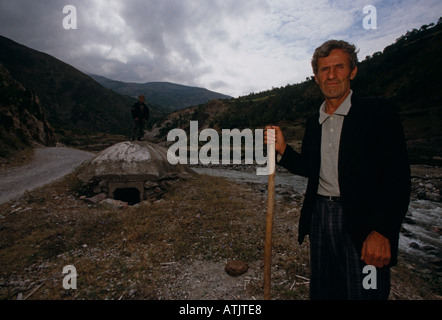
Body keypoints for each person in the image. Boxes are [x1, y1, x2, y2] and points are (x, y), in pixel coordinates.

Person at [265, 40, 411, 299]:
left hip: (365, 222)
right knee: (325, 292)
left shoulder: (378, 113)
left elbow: (397, 178)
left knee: (366, 292)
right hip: (320, 217)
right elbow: (312, 167)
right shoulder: (314, 122)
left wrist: (383, 231)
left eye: (339, 67)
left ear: (352, 71)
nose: (331, 75)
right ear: (316, 76)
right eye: (324, 69)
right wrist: (283, 149)